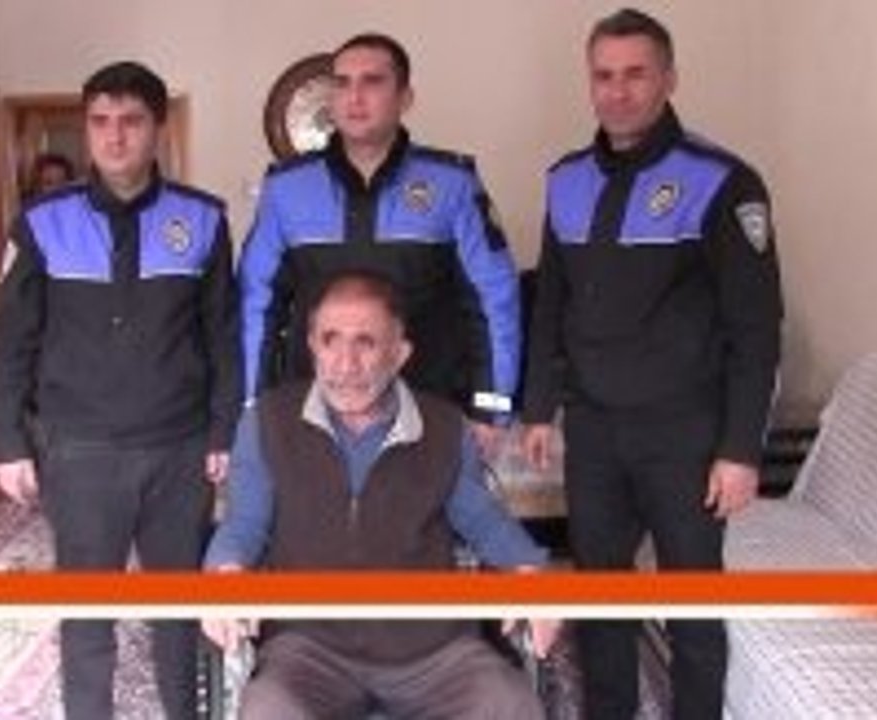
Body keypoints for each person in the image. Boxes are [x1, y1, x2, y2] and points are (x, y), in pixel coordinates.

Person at [522, 9, 783, 719]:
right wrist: (539, 406)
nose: (618, 91)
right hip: (595, 430)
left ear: (670, 78)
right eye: (603, 75)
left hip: (684, 433)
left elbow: (757, 328)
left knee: (691, 601)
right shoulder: (566, 180)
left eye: (636, 74)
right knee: (602, 594)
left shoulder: (723, 181)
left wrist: (740, 450)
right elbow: (551, 304)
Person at [0, 60, 240, 720]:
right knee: (87, 612)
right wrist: (8, 444)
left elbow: (223, 335)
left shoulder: (203, 219)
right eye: (100, 121)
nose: (114, 136)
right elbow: (10, 341)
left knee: (179, 609)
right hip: (80, 452)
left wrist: (224, 431)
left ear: (158, 127)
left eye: (131, 121)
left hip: (179, 449)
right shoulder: (42, 221)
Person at [203, 271, 559, 720]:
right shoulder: (267, 422)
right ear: (311, 345)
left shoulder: (444, 427)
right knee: (268, 709)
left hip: (434, 650)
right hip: (309, 650)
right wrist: (225, 573)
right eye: (330, 340)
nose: (345, 364)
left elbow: (485, 522)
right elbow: (243, 525)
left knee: (508, 703)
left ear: (399, 353)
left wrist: (530, 570)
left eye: (366, 343)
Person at [239, 33, 521, 452]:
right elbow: (257, 305)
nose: (354, 97)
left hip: (430, 411)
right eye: (342, 83)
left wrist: (491, 407)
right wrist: (253, 406)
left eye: (372, 81)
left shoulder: (452, 184)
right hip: (315, 415)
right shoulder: (286, 189)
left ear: (405, 97)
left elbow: (494, 299)